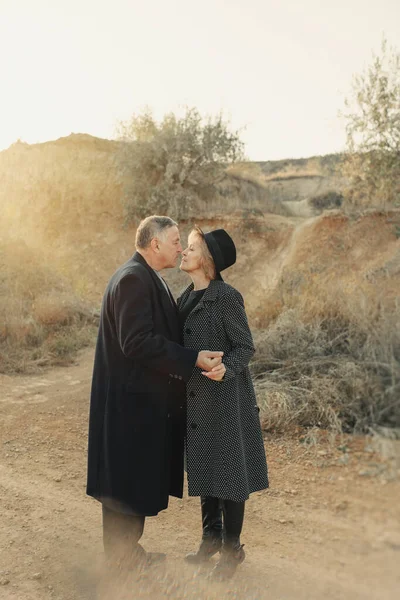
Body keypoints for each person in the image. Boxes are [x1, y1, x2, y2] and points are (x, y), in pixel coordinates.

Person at [86, 216, 223, 571]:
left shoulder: (146, 277)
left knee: (130, 479)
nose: (180, 248)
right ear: (155, 244)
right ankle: (122, 562)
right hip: (128, 405)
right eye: (176, 241)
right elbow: (137, 343)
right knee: (125, 484)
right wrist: (192, 359)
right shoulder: (133, 279)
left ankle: (127, 553)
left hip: (135, 403)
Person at [178, 226, 269, 580]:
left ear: (208, 262)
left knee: (230, 474)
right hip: (197, 401)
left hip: (227, 399)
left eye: (191, 248)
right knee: (204, 466)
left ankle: (233, 549)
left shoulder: (227, 296)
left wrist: (226, 368)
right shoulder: (185, 297)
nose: (184, 253)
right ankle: (210, 537)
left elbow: (245, 346)